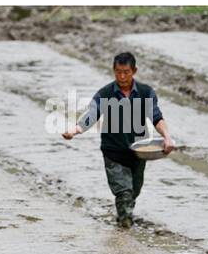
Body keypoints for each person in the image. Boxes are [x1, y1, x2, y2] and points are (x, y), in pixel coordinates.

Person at [62, 52, 175, 229]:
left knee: (133, 192)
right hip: (113, 152)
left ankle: (123, 218)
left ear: (134, 71)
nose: (122, 76)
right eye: (118, 72)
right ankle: (125, 234)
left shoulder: (146, 92)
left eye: (126, 72)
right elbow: (91, 115)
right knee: (124, 192)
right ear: (114, 71)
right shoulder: (105, 93)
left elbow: (156, 117)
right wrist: (75, 130)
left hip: (139, 152)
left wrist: (167, 137)